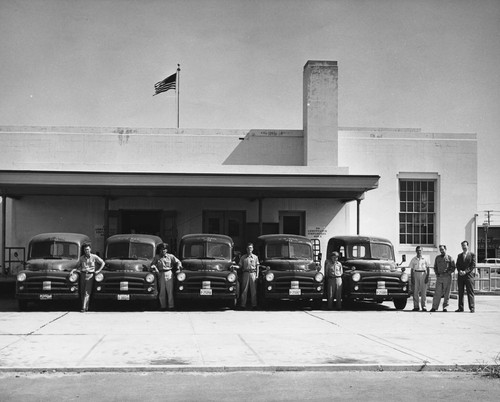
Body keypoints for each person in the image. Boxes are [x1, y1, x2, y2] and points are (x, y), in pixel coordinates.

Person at [150, 243, 182, 311]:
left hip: (168, 273)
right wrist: (154, 268)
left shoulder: (170, 256)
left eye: (164, 249)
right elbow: (152, 264)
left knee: (170, 290)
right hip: (160, 273)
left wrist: (178, 267)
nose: (163, 251)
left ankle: (171, 306)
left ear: (166, 250)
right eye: (161, 249)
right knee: (162, 291)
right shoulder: (157, 257)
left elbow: (178, 261)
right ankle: (163, 306)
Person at [74, 243, 104, 312]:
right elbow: (77, 266)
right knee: (82, 291)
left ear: (90, 249)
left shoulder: (94, 257)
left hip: (90, 275)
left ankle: (84, 307)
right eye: (85, 249)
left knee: (87, 292)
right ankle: (85, 307)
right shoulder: (81, 258)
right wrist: (73, 270)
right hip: (83, 275)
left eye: (87, 249)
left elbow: (103, 263)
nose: (86, 251)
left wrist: (98, 270)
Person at [430, 245, 455, 312]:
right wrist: (437, 273)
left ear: (445, 249)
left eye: (442, 249)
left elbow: (453, 267)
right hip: (439, 277)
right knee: (437, 292)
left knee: (447, 293)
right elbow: (435, 267)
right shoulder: (437, 258)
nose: (441, 251)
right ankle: (434, 307)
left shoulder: (449, 258)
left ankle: (445, 307)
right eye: (440, 249)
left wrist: (447, 273)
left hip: (447, 277)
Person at [455, 240, 476, 313]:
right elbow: (457, 265)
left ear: (467, 246)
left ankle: (472, 307)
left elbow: (472, 265)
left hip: (469, 277)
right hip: (461, 277)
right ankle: (460, 308)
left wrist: (465, 271)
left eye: (465, 245)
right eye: (462, 246)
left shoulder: (472, 255)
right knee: (460, 292)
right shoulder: (459, 255)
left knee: (470, 292)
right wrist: (459, 270)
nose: (464, 247)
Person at [238, 242, 259, 310]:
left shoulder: (255, 257)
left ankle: (254, 305)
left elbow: (257, 266)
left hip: (253, 273)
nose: (249, 249)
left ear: (252, 249)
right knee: (244, 289)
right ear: (246, 249)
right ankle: (243, 305)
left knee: (253, 290)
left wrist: (257, 275)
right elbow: (240, 266)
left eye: (251, 248)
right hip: (245, 273)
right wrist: (235, 267)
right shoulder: (243, 257)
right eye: (248, 248)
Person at [409, 246, 430, 311]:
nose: (419, 252)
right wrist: (412, 277)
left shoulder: (425, 259)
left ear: (422, 251)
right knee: (415, 291)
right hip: (416, 274)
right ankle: (416, 306)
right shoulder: (413, 259)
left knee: (423, 291)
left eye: (420, 250)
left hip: (423, 274)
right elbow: (412, 269)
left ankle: (424, 306)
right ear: (416, 251)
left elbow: (428, 268)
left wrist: (427, 277)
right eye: (418, 250)